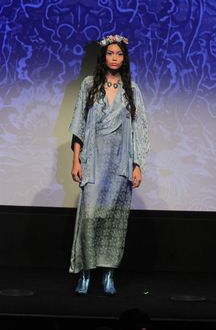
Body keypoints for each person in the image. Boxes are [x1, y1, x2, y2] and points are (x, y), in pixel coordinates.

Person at [68, 34, 150, 296]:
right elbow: (79, 124)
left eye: (119, 54)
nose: (114, 58)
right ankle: (85, 272)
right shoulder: (89, 85)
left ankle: (108, 273)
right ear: (103, 57)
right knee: (90, 216)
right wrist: (76, 160)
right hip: (94, 158)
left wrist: (137, 165)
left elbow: (140, 129)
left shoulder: (131, 89)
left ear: (124, 58)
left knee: (114, 217)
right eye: (110, 53)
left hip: (119, 161)